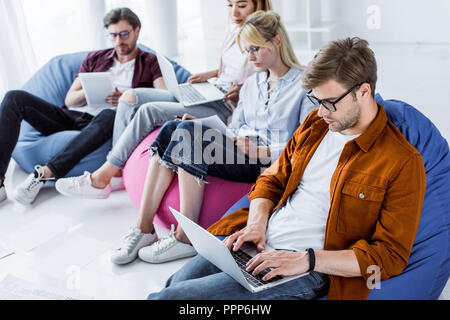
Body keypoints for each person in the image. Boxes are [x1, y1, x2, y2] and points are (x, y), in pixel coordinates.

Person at [147, 37, 427, 301]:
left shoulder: (401, 161)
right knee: (174, 285)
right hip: (258, 243)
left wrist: (307, 259)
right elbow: (271, 179)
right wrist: (256, 225)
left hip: (307, 270)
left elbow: (389, 255)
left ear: (363, 91)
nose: (321, 112)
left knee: (173, 299)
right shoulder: (315, 126)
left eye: (329, 103)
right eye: (316, 101)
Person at [108, 10, 316, 266]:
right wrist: (206, 128)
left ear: (277, 41)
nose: (250, 58)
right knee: (174, 128)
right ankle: (143, 227)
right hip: (238, 150)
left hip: (267, 162)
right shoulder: (252, 84)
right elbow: (235, 127)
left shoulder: (304, 85)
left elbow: (307, 145)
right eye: (246, 51)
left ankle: (186, 237)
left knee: (187, 135)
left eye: (256, 49)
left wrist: (262, 151)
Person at [55, 0, 274, 199]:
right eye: (229, 5)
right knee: (130, 97)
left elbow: (266, 72)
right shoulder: (234, 30)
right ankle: (117, 169)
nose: (234, 12)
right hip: (213, 91)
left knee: (149, 111)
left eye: (242, 5)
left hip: (226, 107)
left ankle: (102, 177)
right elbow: (230, 68)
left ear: (258, 5)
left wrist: (243, 90)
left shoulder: (262, 38)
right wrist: (208, 75)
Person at [0, 7, 166, 205]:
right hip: (73, 117)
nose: (118, 41)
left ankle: (45, 173)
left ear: (137, 31)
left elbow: (163, 96)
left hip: (108, 123)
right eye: (113, 35)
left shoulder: (150, 62)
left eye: (124, 34)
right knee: (14, 98)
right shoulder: (96, 58)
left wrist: (127, 98)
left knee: (108, 115)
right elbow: (70, 99)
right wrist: (90, 93)